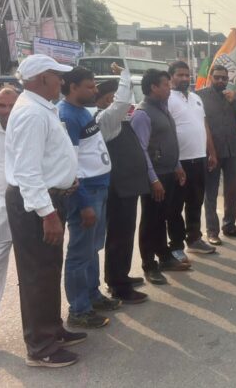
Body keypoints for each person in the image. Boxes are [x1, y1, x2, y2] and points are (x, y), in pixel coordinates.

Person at [5, 54, 85, 367]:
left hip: (48, 199)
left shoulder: (42, 108)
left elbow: (47, 157)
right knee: (37, 273)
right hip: (35, 205)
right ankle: (40, 347)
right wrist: (47, 214)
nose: (61, 81)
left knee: (49, 268)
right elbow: (27, 170)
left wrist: (65, 177)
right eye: (57, 75)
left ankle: (51, 329)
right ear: (42, 78)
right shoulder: (31, 113)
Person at [58, 67, 118, 329]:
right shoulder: (67, 116)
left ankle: (93, 296)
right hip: (86, 193)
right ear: (73, 87)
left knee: (92, 248)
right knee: (79, 253)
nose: (95, 91)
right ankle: (79, 309)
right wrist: (83, 203)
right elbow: (69, 164)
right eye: (90, 86)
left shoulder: (83, 111)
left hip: (99, 187)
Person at [94, 64, 149, 303]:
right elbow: (122, 102)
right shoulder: (105, 120)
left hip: (128, 187)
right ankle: (118, 285)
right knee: (118, 236)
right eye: (113, 97)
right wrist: (125, 75)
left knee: (125, 234)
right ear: (108, 100)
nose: (123, 103)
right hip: (118, 188)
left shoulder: (119, 120)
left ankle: (120, 275)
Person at [131, 69, 190, 286]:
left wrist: (177, 165)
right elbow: (141, 150)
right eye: (165, 84)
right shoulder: (142, 114)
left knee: (163, 217)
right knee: (150, 221)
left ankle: (164, 256)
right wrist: (153, 179)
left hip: (169, 172)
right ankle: (149, 265)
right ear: (153, 87)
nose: (169, 88)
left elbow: (168, 140)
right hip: (155, 177)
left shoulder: (163, 108)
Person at [167, 61, 217, 262]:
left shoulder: (196, 98)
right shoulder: (167, 98)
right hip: (179, 162)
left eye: (187, 75)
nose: (185, 78)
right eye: (180, 75)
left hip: (199, 158)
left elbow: (204, 125)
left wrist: (211, 152)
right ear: (171, 77)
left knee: (195, 202)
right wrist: (174, 162)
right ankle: (176, 245)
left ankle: (194, 239)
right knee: (175, 206)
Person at [198, 65, 236, 245]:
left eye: (224, 78)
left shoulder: (233, 96)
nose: (221, 80)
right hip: (211, 152)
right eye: (217, 77)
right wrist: (209, 151)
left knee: (232, 191)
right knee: (211, 192)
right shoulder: (200, 96)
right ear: (210, 78)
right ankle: (212, 231)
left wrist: (234, 102)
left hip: (232, 151)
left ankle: (229, 226)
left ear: (228, 79)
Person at [0, 88, 18, 347]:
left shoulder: (30, 132)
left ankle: (44, 329)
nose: (7, 111)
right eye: (2, 105)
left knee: (35, 273)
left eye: (11, 105)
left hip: (30, 213)